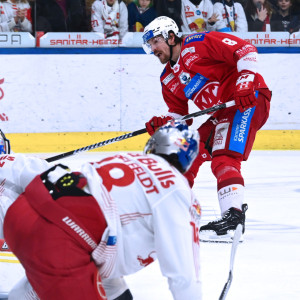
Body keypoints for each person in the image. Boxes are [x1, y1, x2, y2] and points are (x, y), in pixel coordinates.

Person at [2, 122, 202, 299]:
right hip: (61, 238)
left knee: (111, 289)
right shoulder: (177, 189)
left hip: (22, 215)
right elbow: (184, 276)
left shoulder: (124, 158)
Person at [142, 16, 272, 242]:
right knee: (189, 151)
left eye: (155, 42)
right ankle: (175, 211)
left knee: (224, 157)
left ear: (171, 36)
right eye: (150, 45)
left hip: (248, 99)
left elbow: (245, 49)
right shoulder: (167, 78)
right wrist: (164, 122)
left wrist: (244, 80)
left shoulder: (197, 43)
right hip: (223, 111)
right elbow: (180, 116)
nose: (153, 49)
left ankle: (233, 219)